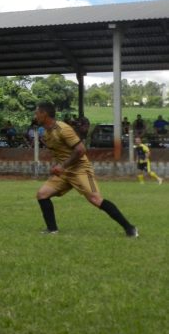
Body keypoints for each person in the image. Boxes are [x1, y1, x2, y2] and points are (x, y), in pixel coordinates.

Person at [34, 101, 138, 237]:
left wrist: (62, 166)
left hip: (80, 169)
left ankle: (130, 228)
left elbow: (81, 150)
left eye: (37, 112)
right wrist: (57, 165)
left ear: (44, 114)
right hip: (64, 172)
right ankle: (52, 230)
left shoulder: (63, 129)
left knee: (95, 199)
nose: (35, 115)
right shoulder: (47, 132)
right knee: (42, 194)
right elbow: (59, 152)